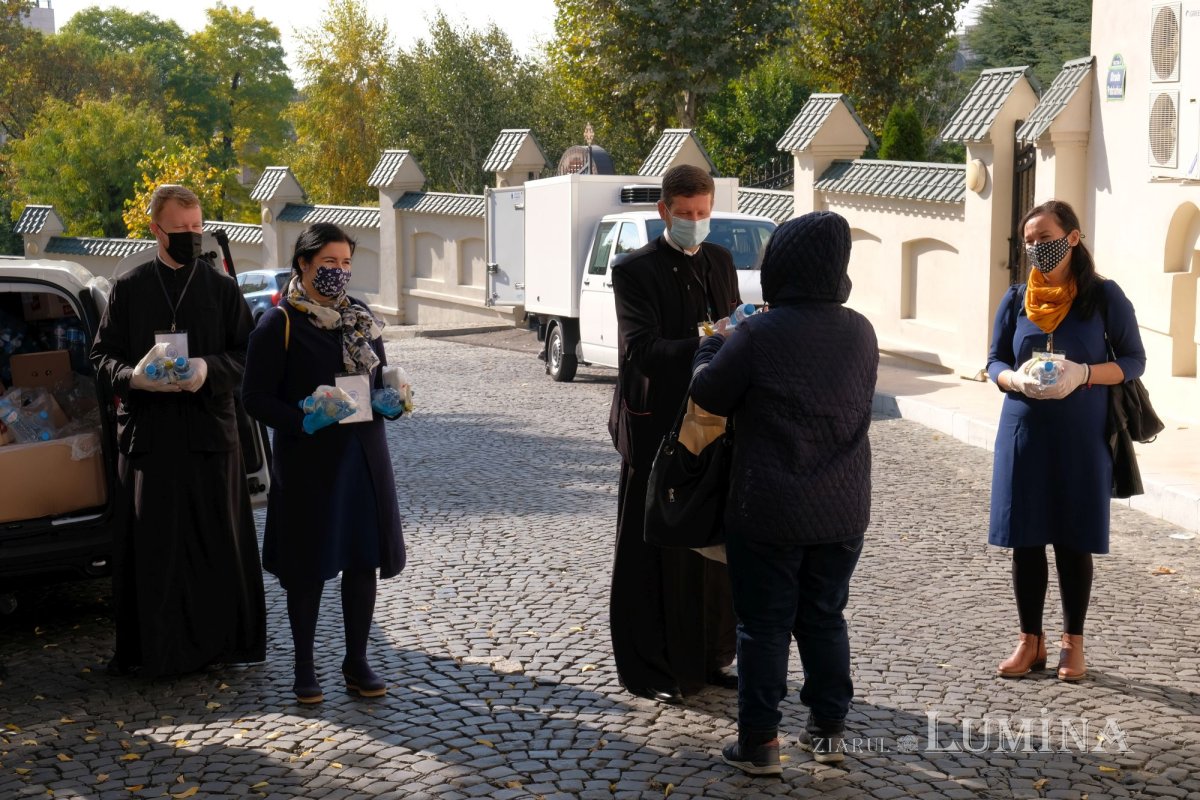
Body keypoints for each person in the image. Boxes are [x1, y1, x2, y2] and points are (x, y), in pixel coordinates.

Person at [687, 212, 878, 775]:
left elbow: (708, 394)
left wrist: (711, 343)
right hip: (843, 506)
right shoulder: (861, 330)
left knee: (764, 625)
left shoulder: (759, 333)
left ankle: (760, 743)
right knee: (825, 618)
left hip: (769, 506)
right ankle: (829, 732)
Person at [92, 184, 266, 678]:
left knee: (214, 545)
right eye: (181, 229)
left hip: (210, 436)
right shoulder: (129, 288)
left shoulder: (222, 289)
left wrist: (208, 369)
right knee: (156, 551)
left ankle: (219, 648)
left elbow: (248, 355)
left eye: (197, 227)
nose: (192, 236)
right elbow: (100, 358)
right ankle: (157, 652)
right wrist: (133, 377)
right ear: (156, 230)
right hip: (150, 438)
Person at [243, 223, 405, 705]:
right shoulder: (278, 323)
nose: (339, 271)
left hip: (363, 457)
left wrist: (392, 401)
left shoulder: (360, 317)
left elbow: (379, 377)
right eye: (329, 262)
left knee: (362, 558)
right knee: (308, 566)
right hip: (309, 464)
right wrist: (302, 420)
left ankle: (357, 660)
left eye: (346, 263)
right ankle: (304, 666)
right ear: (304, 264)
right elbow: (254, 398)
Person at [988, 199, 1146, 684]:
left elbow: (1134, 361)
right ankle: (1029, 640)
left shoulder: (1104, 296)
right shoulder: (1016, 299)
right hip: (1024, 431)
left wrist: (1084, 373)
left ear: (1072, 238)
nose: (1036, 247)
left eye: (1045, 238)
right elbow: (994, 361)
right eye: (1029, 241)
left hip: (1081, 434)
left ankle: (1072, 642)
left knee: (1073, 538)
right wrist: (1013, 379)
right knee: (1026, 537)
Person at [607, 164, 739, 705]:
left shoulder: (720, 260)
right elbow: (642, 351)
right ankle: (649, 668)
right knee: (651, 551)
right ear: (664, 211)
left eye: (702, 213)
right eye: (684, 214)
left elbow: (731, 326)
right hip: (654, 428)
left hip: (708, 426)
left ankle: (709, 658)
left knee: (708, 550)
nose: (694, 221)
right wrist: (711, 340)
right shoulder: (633, 269)